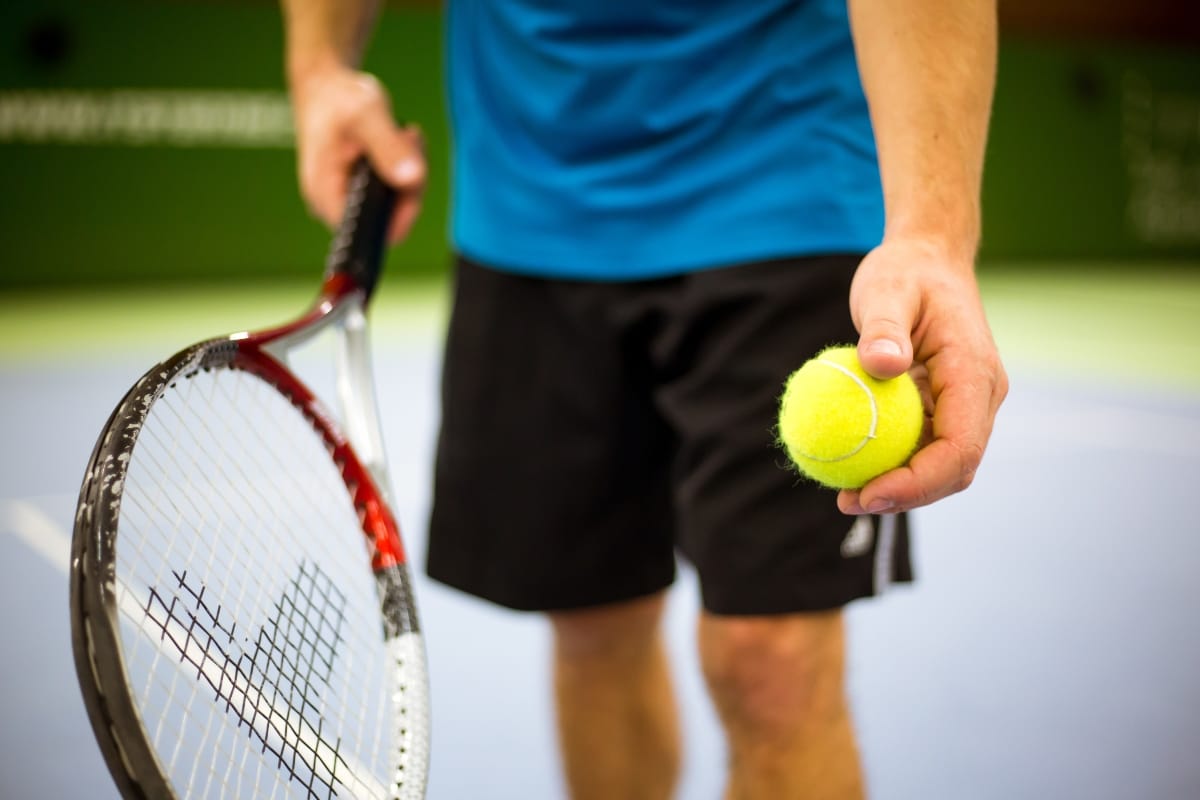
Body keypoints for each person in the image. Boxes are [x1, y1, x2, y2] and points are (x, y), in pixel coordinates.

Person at [281, 1, 1008, 797]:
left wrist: (932, 233)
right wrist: (318, 69)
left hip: (784, 167)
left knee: (776, 665)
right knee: (594, 628)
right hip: (529, 198)